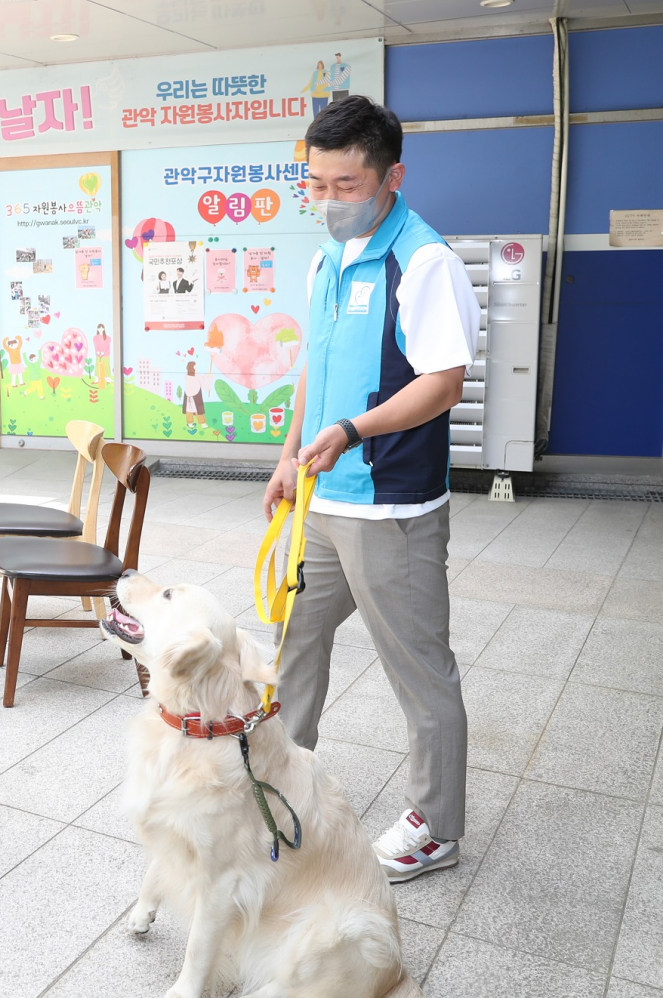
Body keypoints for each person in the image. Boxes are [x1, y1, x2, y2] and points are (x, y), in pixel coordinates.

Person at [261, 95, 478, 883]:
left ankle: (436, 825)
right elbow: (315, 364)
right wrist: (290, 456)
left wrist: (351, 431)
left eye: (344, 185)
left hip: (391, 509)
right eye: (313, 185)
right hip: (322, 501)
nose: (326, 202)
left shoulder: (423, 262)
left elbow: (443, 383)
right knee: (292, 646)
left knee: (418, 671)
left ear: (392, 176)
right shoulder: (326, 259)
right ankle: (280, 785)